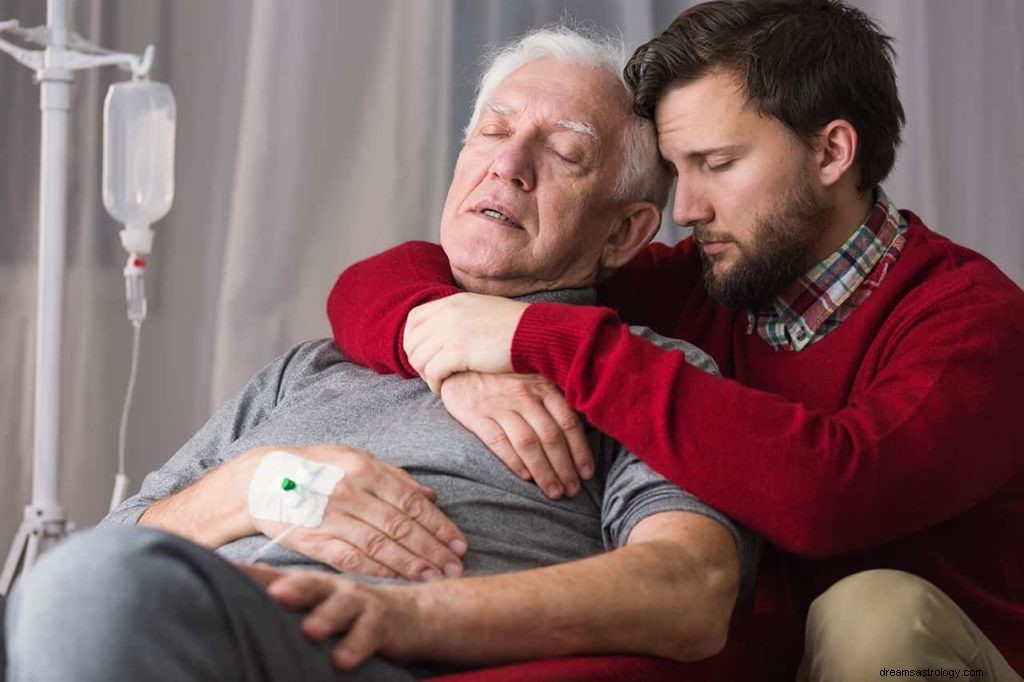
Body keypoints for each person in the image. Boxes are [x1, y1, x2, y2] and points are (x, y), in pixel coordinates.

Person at [2, 27, 761, 682]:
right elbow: (115, 547)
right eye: (492, 132)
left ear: (625, 233)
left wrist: (400, 614)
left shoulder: (647, 369)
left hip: (350, 651)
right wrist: (262, 487)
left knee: (87, 594)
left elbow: (690, 590)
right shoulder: (319, 364)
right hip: (178, 620)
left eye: (564, 152)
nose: (510, 163)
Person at [324, 1, 1024, 680]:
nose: (685, 210)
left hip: (932, 662)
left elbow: (830, 494)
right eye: (675, 168)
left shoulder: (974, 323)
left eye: (715, 164)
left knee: (873, 612)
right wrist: (452, 354)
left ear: (832, 152)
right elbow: (382, 280)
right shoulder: (706, 278)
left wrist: (538, 337)